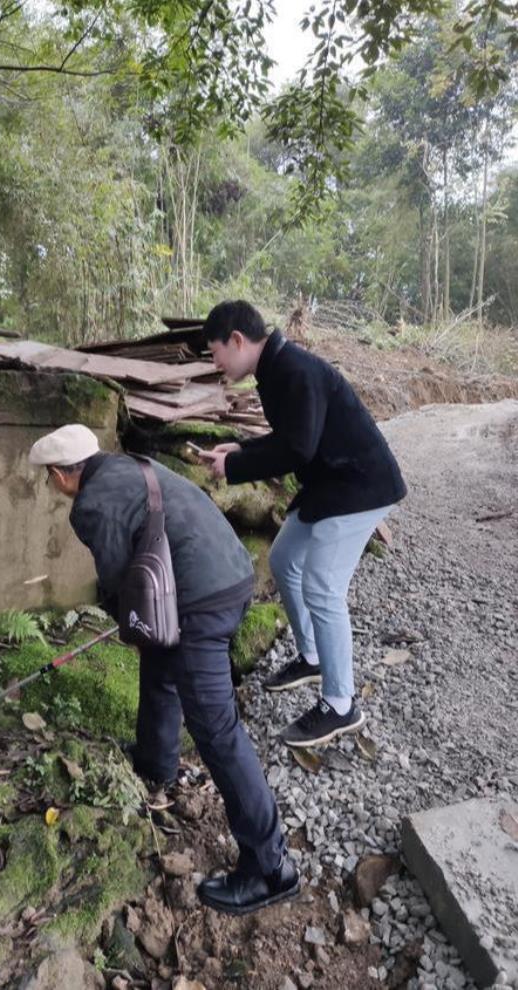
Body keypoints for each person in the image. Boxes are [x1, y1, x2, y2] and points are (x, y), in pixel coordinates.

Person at [28, 423, 299, 916]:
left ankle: (270, 868)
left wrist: (125, 621)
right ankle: (156, 762)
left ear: (60, 475)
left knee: (217, 731)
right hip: (230, 573)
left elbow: (117, 582)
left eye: (49, 478)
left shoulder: (90, 505)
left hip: (201, 601)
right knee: (160, 660)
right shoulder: (131, 465)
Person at [198, 300, 406, 748]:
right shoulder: (275, 369)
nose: (216, 364)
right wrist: (238, 451)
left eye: (215, 353)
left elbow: (298, 449)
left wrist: (234, 470)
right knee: (284, 557)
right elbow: (292, 437)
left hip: (360, 485)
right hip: (331, 480)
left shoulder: (293, 370)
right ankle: (311, 656)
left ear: (237, 340)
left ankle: (341, 704)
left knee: (322, 586)